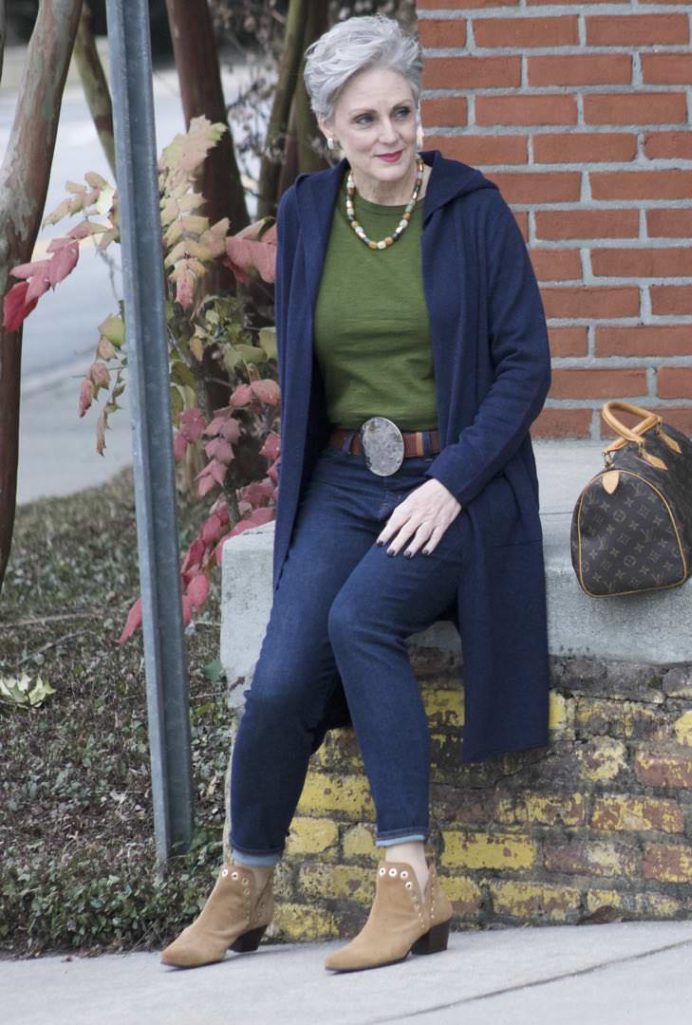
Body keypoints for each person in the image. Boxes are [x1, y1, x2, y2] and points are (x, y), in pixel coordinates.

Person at [159, 13, 552, 973]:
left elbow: (524, 369)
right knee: (284, 669)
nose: (389, 134)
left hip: (451, 483)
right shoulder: (303, 213)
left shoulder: (471, 211)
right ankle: (245, 881)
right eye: (365, 117)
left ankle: (409, 879)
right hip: (343, 480)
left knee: (362, 620)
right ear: (329, 129)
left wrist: (451, 481)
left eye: (403, 112)